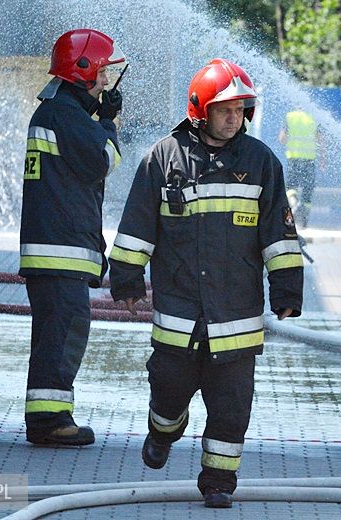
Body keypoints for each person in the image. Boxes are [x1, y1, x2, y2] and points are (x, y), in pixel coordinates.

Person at [108, 58, 303, 508]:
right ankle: (164, 428)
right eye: (224, 109)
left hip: (236, 317)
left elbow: (280, 234)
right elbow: (137, 225)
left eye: (240, 109)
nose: (234, 118)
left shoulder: (261, 163)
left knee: (232, 407)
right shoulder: (163, 157)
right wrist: (128, 281)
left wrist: (288, 291)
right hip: (179, 313)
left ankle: (218, 482)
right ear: (201, 109)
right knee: (168, 389)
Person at [18, 28, 126, 446]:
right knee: (63, 335)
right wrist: (109, 124)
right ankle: (50, 423)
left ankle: (48, 416)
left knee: (54, 335)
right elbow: (102, 159)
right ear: (82, 71)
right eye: (101, 73)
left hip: (54, 249)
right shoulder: (65, 115)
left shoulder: (56, 112)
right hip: (61, 250)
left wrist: (98, 119)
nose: (105, 81)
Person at [279, 109, 318, 228]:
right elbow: (320, 139)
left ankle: (294, 205)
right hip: (309, 159)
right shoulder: (314, 117)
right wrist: (323, 158)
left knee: (290, 188)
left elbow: (282, 139)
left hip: (293, 158)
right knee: (308, 192)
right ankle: (304, 221)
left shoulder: (290, 117)